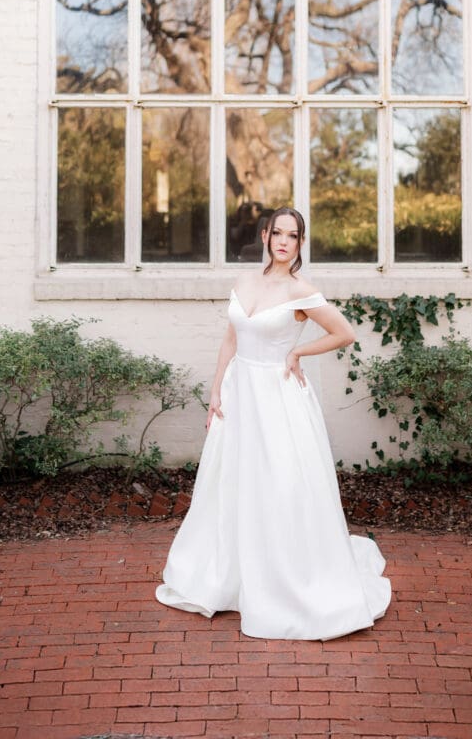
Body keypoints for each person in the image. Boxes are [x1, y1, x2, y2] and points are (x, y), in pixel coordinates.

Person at [155, 207, 391, 640]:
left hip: (277, 397)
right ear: (265, 235)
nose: (284, 241)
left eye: (293, 235)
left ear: (300, 244)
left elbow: (344, 333)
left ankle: (284, 579)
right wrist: (215, 389)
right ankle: (230, 575)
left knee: (280, 482)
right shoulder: (245, 282)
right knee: (232, 482)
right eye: (278, 232)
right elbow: (231, 337)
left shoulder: (301, 291)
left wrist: (297, 352)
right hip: (239, 392)